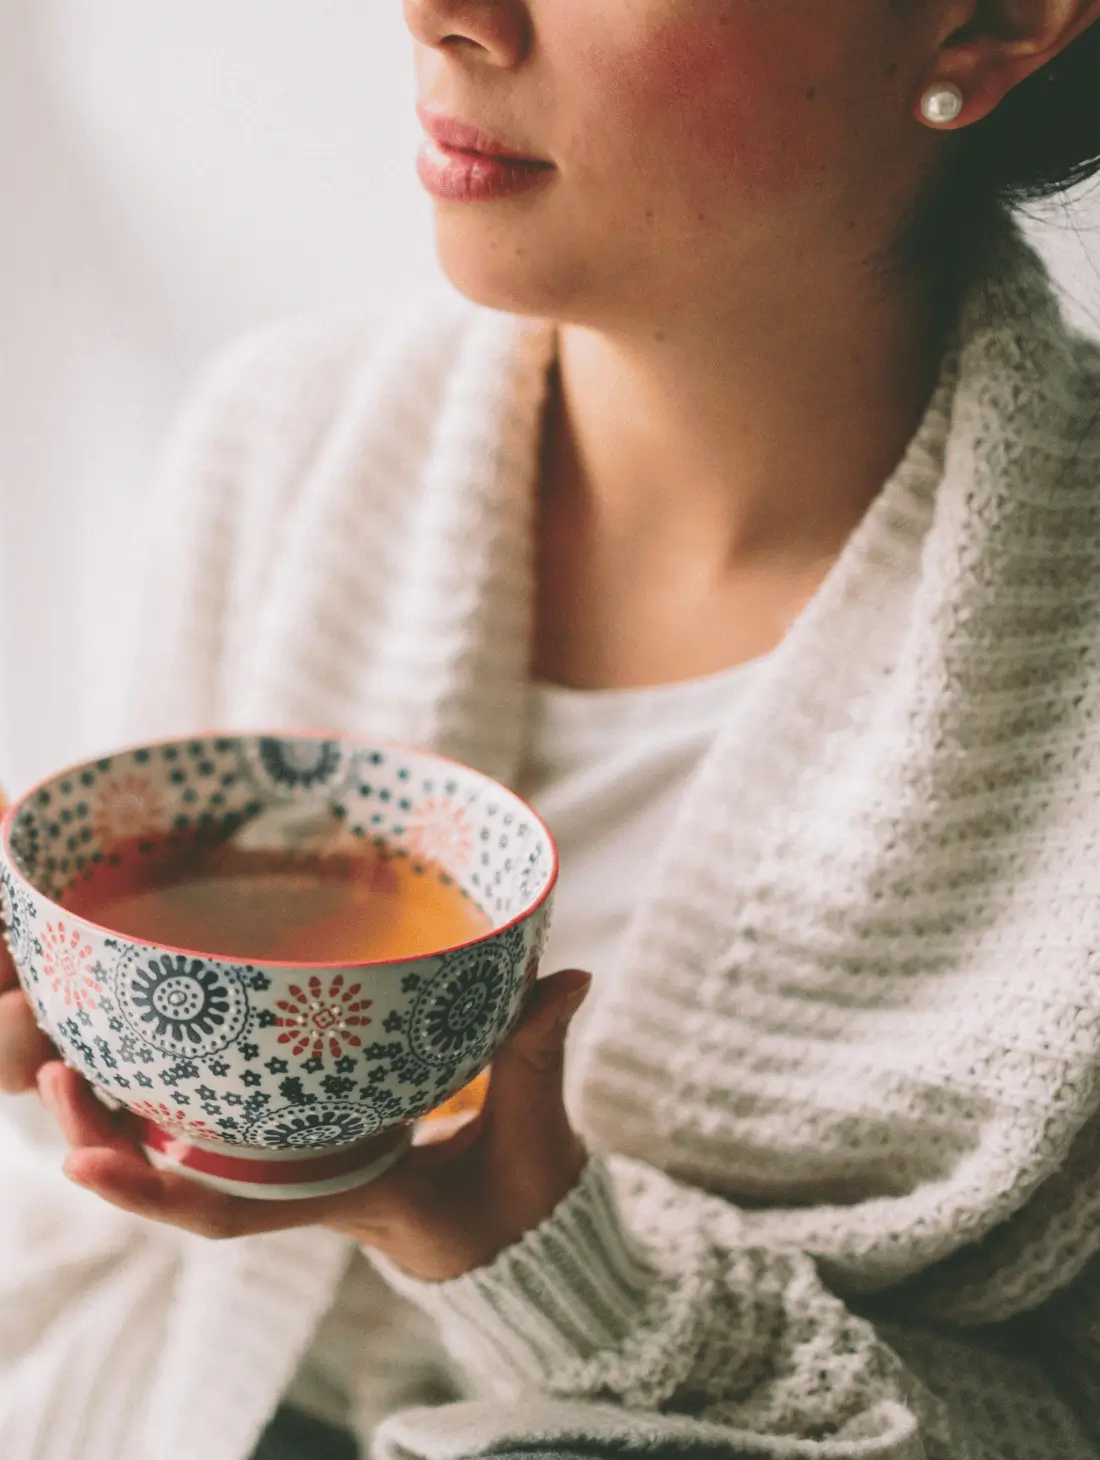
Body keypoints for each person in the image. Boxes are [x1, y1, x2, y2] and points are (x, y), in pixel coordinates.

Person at [2, 1, 1100, 1457]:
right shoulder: (286, 443)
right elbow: (128, 1218)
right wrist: (93, 1072)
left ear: (998, 20)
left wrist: (532, 1248)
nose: (441, 12)